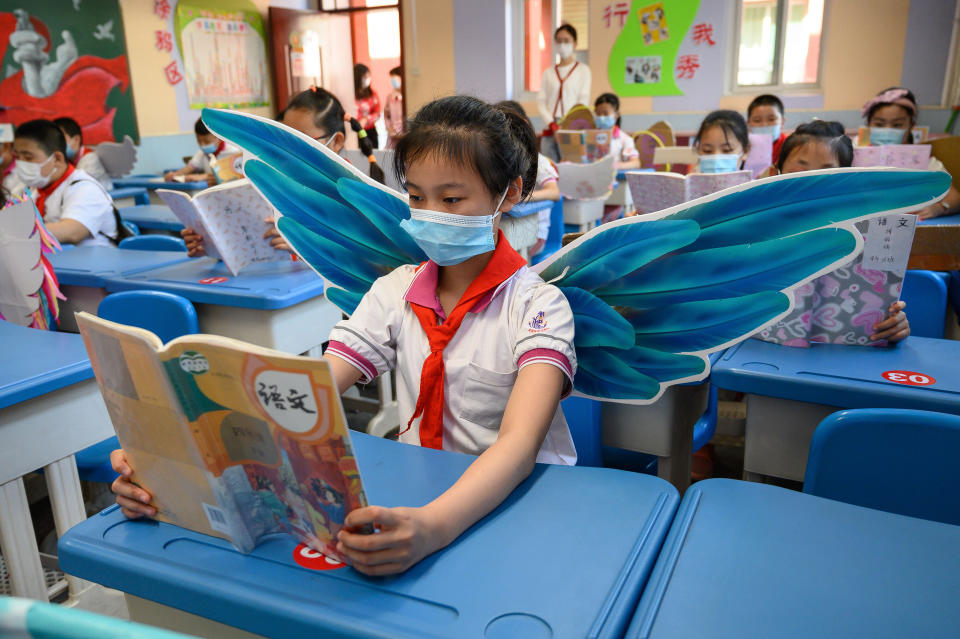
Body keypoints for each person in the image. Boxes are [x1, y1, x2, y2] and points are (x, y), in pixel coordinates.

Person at [111, 95, 578, 576]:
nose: (430, 214)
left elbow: (518, 448)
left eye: (452, 199)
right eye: (416, 197)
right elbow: (307, 390)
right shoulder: (395, 291)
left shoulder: (539, 307)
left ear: (511, 193)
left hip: (512, 511)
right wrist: (174, 461)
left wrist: (434, 527)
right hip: (418, 493)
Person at [770, 119, 910, 344]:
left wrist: (895, 324)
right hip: (758, 354)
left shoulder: (873, 234)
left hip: (844, 358)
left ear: (848, 181)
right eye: (798, 173)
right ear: (774, 174)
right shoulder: (754, 234)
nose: (812, 185)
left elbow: (886, 304)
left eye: (828, 176)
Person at [182, 87, 350, 257]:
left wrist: (304, 246)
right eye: (283, 139)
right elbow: (252, 241)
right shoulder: (271, 181)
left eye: (301, 141)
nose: (288, 151)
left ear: (336, 142)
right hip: (270, 279)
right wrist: (212, 244)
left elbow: (356, 260)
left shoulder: (350, 194)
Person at [13, 119, 118, 246]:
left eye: (28, 157)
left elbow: (72, 231)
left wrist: (13, 231)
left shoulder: (84, 187)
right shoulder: (34, 190)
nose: (21, 163)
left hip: (96, 262)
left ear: (57, 159)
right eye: (17, 157)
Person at [862, 87, 960, 219]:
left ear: (911, 126)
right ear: (869, 124)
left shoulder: (923, 160)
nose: (887, 130)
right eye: (879, 124)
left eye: (897, 125)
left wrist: (940, 207)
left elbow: (954, 197)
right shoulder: (858, 157)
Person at [496, 100, 560, 256]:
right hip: (505, 228)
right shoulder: (497, 161)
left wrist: (520, 197)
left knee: (499, 252)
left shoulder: (539, 161)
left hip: (535, 236)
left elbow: (554, 193)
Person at [537, 24, 591, 160]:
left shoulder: (583, 71)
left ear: (575, 43)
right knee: (549, 169)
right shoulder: (548, 73)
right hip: (550, 128)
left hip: (572, 127)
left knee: (571, 167)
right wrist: (552, 124)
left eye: (567, 41)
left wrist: (566, 124)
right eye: (559, 41)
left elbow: (582, 101)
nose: (563, 45)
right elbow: (541, 101)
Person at [163, 118, 240, 186]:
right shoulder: (202, 153)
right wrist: (174, 175)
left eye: (206, 141)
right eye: (199, 141)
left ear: (219, 137)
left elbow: (230, 175)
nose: (202, 145)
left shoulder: (233, 152)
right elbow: (189, 168)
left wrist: (202, 177)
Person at [53, 117, 112, 190]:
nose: (57, 144)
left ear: (77, 139)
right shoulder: (68, 161)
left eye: (61, 139)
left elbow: (76, 185)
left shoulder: (90, 159)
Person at [746, 94, 787, 164]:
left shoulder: (790, 146)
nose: (764, 125)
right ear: (748, 123)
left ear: (782, 122)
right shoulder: (743, 147)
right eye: (757, 120)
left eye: (771, 119)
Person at [354, 63, 381, 149]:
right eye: (365, 77)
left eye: (368, 77)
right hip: (355, 133)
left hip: (370, 132)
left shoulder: (372, 94)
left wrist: (366, 119)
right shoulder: (350, 95)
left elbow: (377, 113)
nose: (367, 79)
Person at [384, 66, 405, 148]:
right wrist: (389, 128)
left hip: (405, 135)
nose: (393, 81)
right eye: (391, 79)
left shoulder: (408, 96)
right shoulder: (390, 96)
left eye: (395, 78)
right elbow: (386, 115)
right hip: (393, 135)